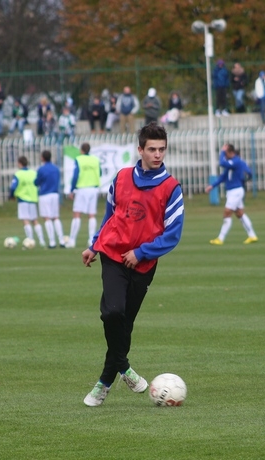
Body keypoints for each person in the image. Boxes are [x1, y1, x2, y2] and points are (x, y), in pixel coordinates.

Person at [81, 122, 185, 407]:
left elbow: (172, 234)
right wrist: (94, 244)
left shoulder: (171, 188)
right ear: (140, 149)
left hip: (143, 264)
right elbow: (110, 216)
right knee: (112, 313)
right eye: (151, 149)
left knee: (124, 324)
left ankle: (105, 381)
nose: (157, 154)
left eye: (162, 149)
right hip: (113, 255)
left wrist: (141, 252)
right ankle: (121, 369)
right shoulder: (122, 177)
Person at [205, 143, 258, 245]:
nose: (224, 155)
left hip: (236, 191)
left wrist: (221, 152)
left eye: (226, 153)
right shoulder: (231, 163)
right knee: (239, 213)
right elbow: (223, 177)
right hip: (232, 192)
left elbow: (222, 163)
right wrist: (212, 186)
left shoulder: (236, 161)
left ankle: (220, 238)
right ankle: (252, 236)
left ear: (231, 152)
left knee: (227, 213)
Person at [66, 142, 101, 248]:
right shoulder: (95, 159)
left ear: (81, 150)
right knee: (92, 215)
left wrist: (72, 189)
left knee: (77, 214)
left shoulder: (79, 159)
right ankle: (91, 240)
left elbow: (76, 175)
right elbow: (100, 172)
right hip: (93, 188)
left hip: (82, 188)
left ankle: (72, 240)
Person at [9, 156, 46, 247]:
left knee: (25, 220)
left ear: (20, 163)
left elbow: (13, 187)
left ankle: (30, 240)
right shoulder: (33, 173)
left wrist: (11, 196)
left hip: (23, 199)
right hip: (33, 199)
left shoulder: (18, 174)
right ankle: (42, 240)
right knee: (35, 220)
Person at [35, 150, 66, 248]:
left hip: (45, 194)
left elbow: (36, 182)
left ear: (43, 158)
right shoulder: (56, 168)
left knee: (47, 218)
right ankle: (61, 241)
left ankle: (52, 242)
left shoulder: (41, 169)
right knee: (56, 217)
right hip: (55, 194)